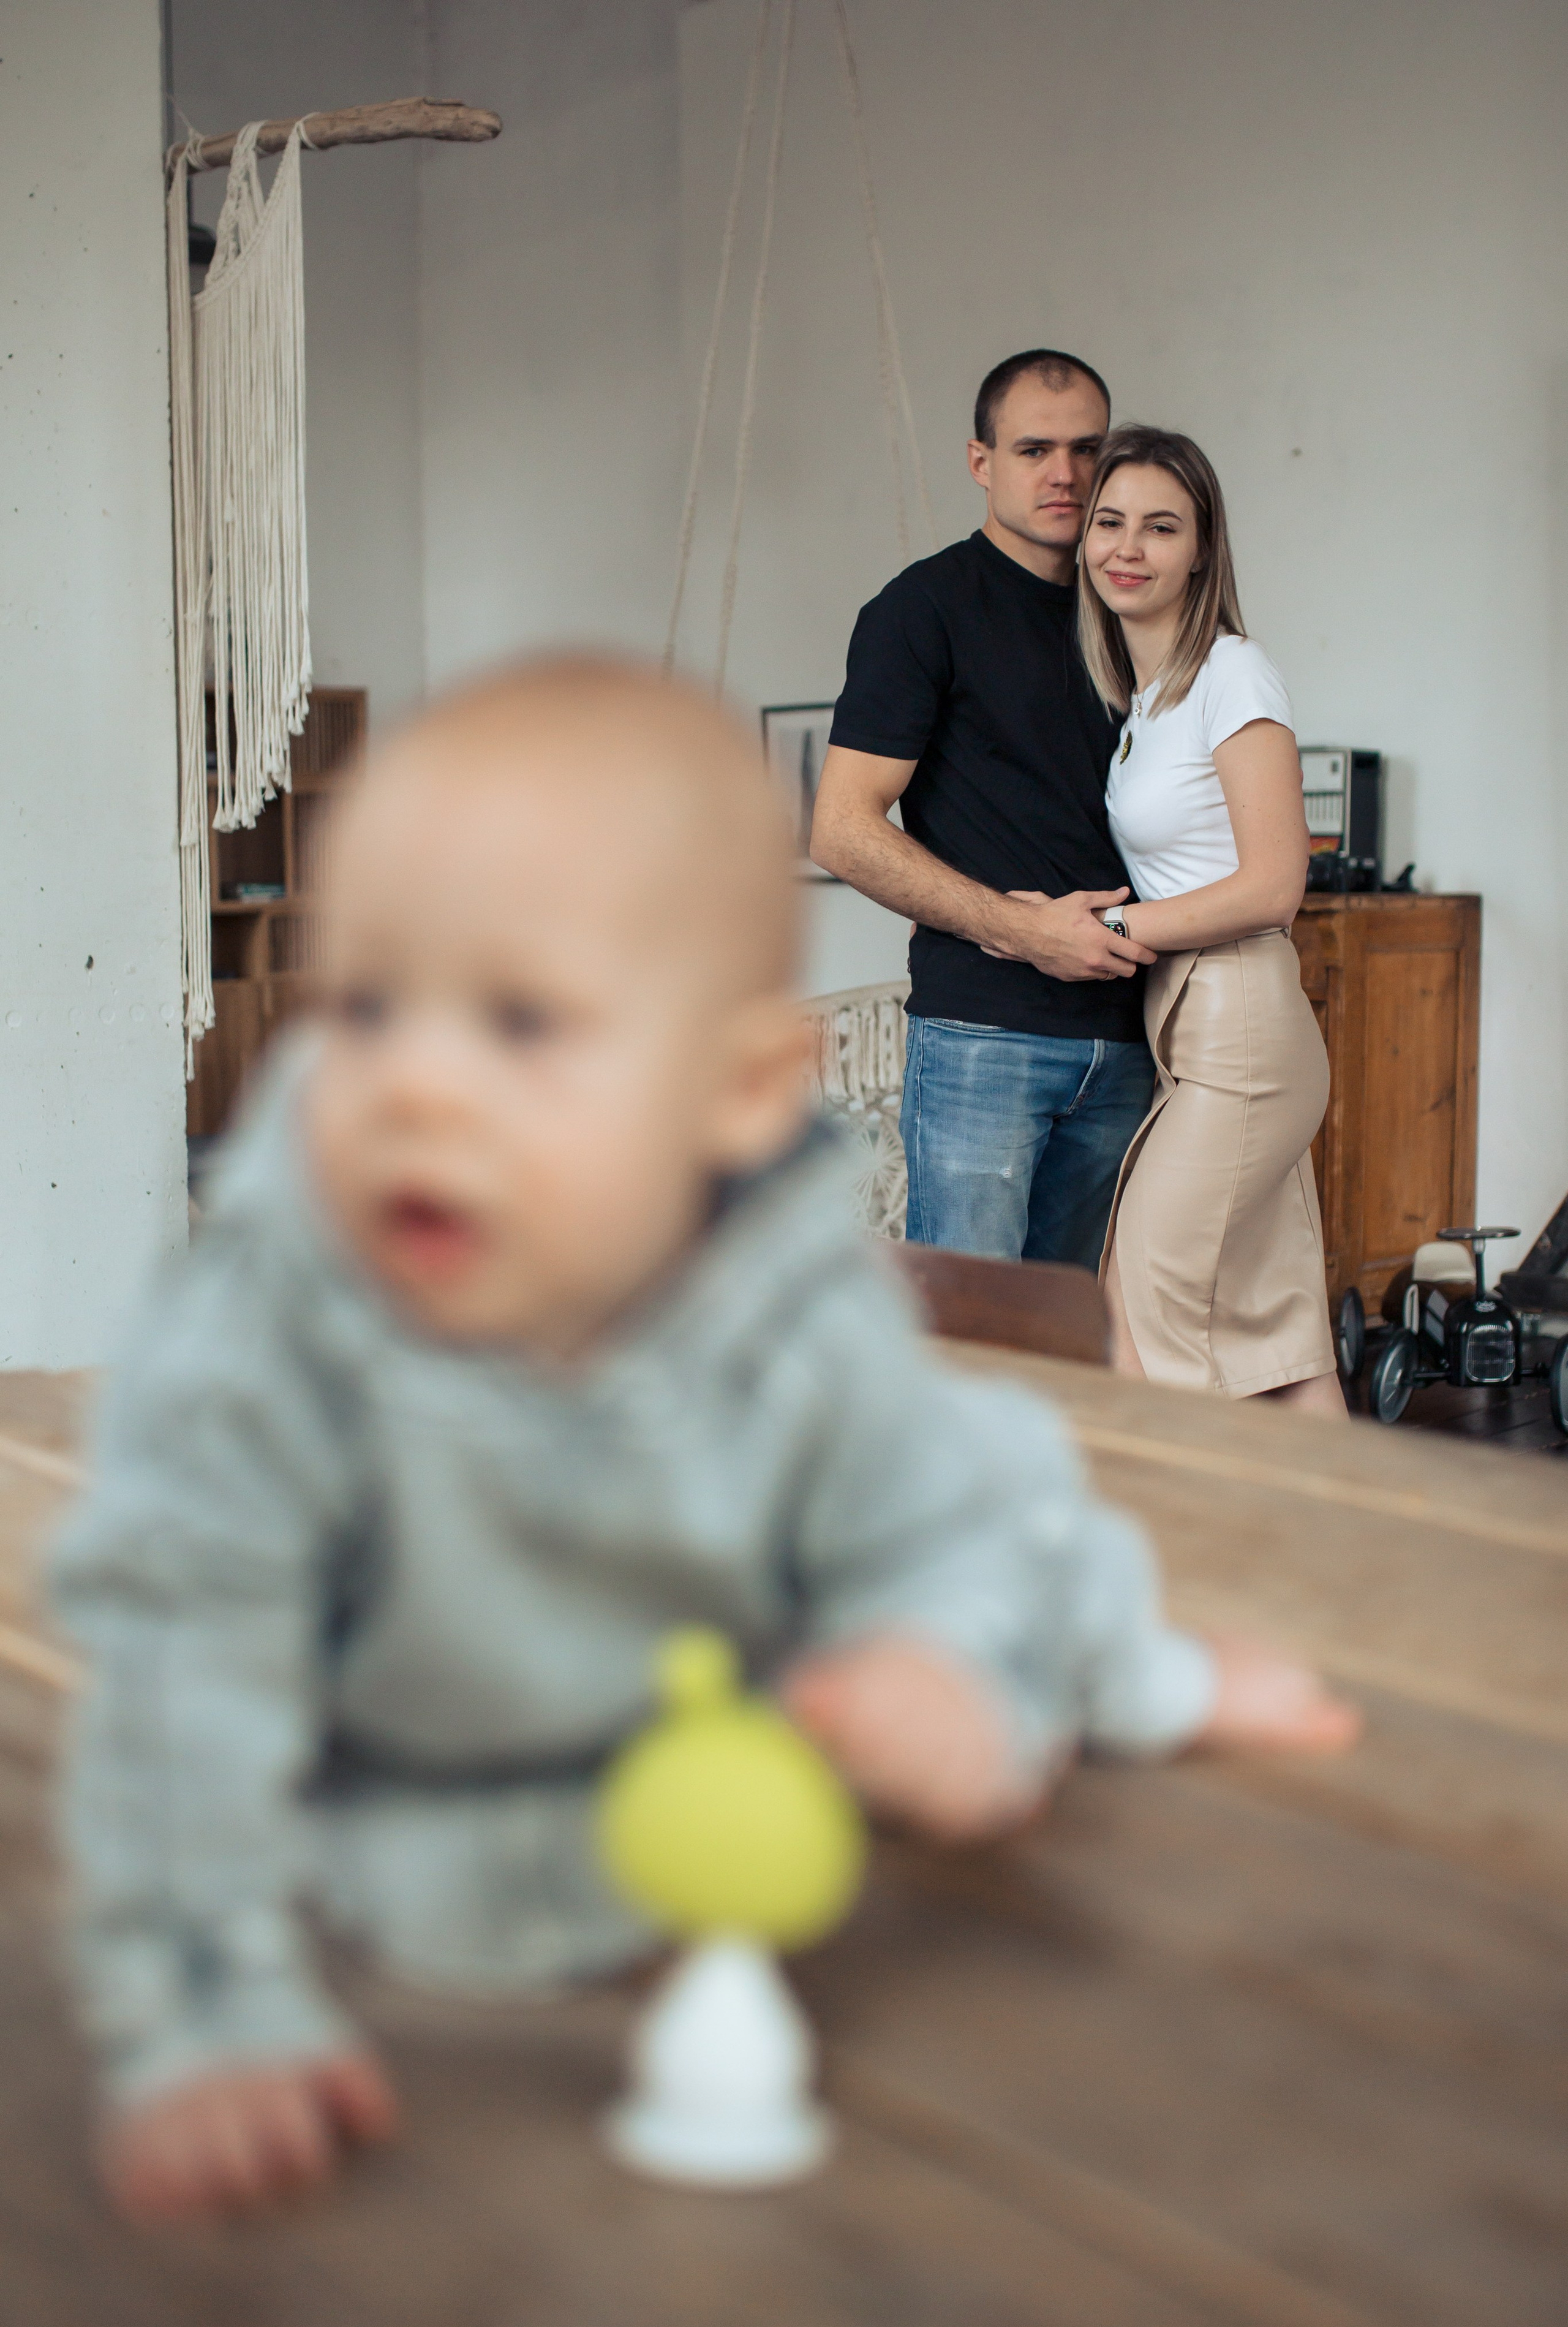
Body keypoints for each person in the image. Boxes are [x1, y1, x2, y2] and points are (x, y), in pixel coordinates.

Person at [50, 656, 1356, 2225]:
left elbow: (939, 1537)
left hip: (752, 1680)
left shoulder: (795, 1313)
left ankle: (1147, 1676)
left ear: (737, 1092)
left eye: (520, 1020)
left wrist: (938, 1665)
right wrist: (208, 2015)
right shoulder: (271, 1322)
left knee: (1007, 1499)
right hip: (420, 1773)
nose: (415, 1090)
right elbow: (179, 1662)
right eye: (370, 1008)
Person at [810, 349, 1158, 1271]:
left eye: (1087, 449)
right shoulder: (921, 610)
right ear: (982, 462)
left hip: (1139, 1036)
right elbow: (842, 830)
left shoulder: (1134, 611)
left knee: (1077, 1335)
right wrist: (1023, 930)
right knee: (973, 1330)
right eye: (1034, 449)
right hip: (985, 1039)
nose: (1065, 473)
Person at [1077, 425, 1345, 1414]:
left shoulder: (1233, 670)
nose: (1128, 548)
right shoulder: (1146, 704)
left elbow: (1276, 885)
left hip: (1241, 1027)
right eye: (1109, 522)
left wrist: (1117, 929)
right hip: (1199, 1026)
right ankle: (1362, 1522)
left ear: (1201, 548)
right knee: (1284, 1339)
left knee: (1134, 1315)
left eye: (1161, 527)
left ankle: (1176, 1517)